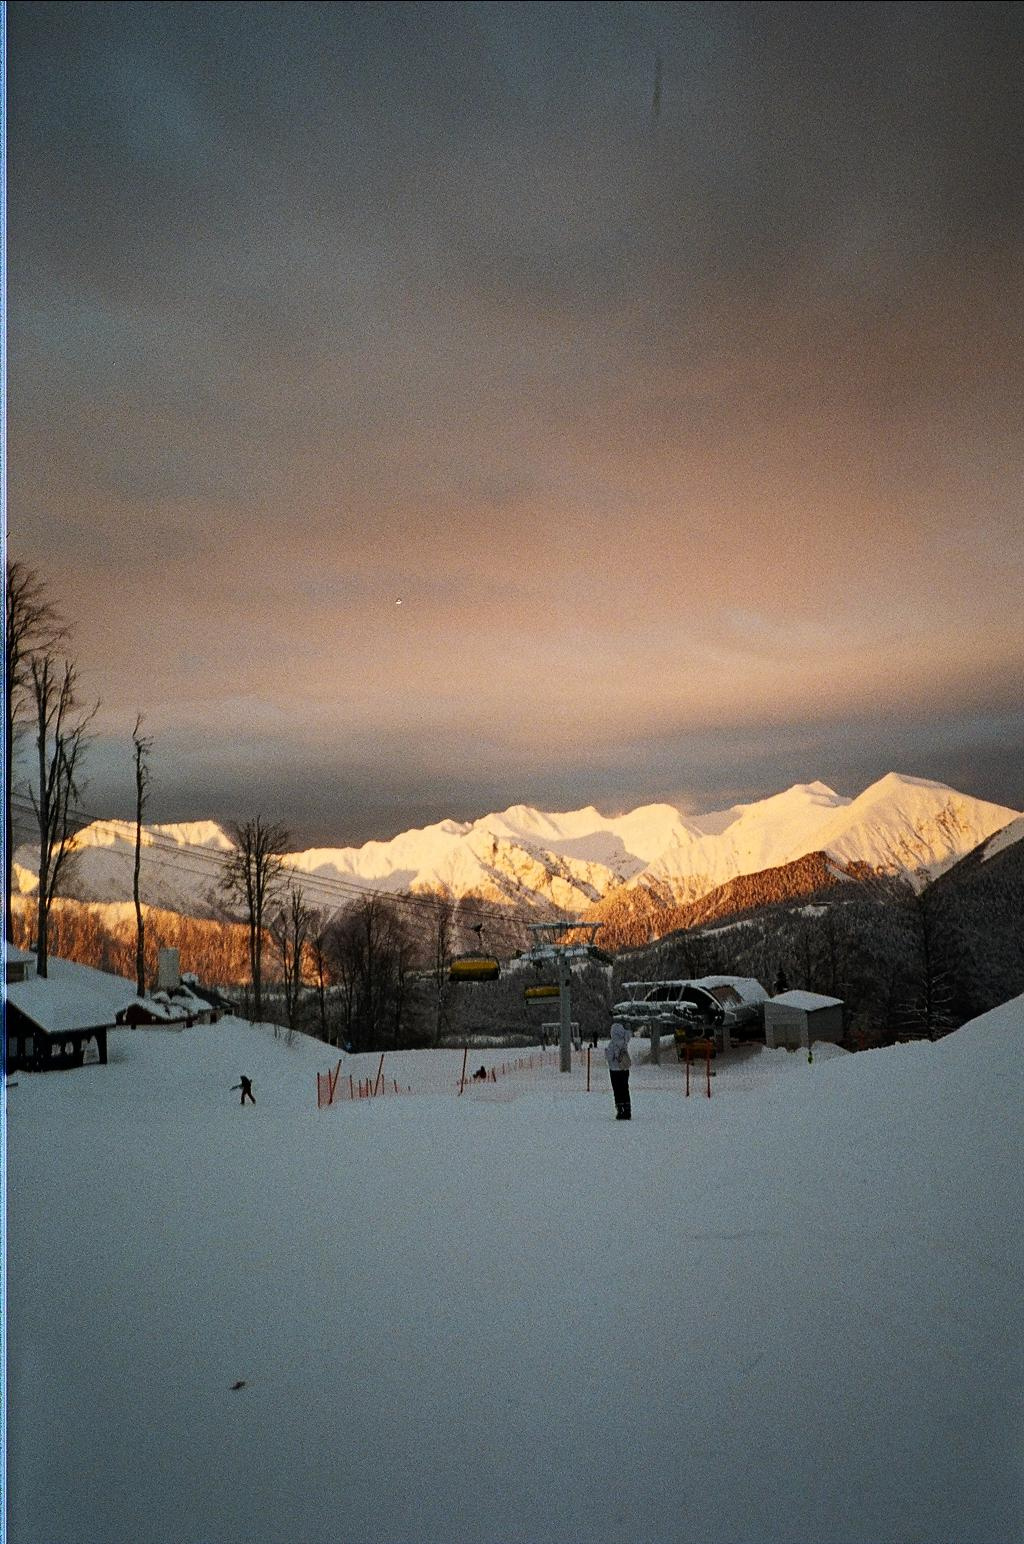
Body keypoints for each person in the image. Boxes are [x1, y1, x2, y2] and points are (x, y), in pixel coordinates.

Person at [604, 1020, 632, 1120]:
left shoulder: (612, 1044)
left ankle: (620, 1110)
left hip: (615, 1070)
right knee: (625, 1088)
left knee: (617, 1090)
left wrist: (606, 1052)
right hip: (624, 1068)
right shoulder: (624, 1042)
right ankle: (627, 1109)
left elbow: (609, 1058)